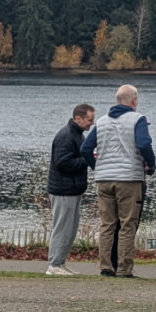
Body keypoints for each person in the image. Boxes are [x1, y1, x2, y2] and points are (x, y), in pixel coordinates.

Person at [81, 82, 155, 277]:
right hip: (129, 178)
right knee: (127, 224)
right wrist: (150, 164)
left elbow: (85, 149)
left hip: (104, 179)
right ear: (134, 101)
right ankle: (124, 268)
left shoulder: (102, 121)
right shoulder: (138, 119)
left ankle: (105, 266)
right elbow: (144, 144)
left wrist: (97, 167)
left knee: (107, 224)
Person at [44, 103, 95, 272]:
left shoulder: (77, 135)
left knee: (70, 229)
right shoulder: (66, 136)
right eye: (89, 120)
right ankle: (54, 264)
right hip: (63, 191)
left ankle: (60, 262)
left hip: (72, 190)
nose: (91, 123)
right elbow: (62, 162)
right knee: (62, 228)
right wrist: (87, 159)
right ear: (78, 118)